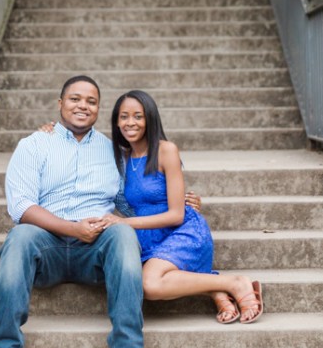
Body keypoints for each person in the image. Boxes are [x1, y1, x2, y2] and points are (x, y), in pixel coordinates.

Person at [0, 75, 157, 348]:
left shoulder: (113, 152)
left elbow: (128, 202)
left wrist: (177, 204)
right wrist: (71, 228)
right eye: (75, 99)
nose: (83, 105)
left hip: (94, 248)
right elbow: (22, 206)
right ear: (60, 104)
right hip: (46, 244)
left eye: (91, 101)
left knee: (122, 233)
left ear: (98, 109)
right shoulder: (34, 144)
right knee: (19, 236)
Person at [97, 90, 263, 325]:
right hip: (146, 238)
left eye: (138, 116)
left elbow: (176, 214)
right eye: (123, 117)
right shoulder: (118, 157)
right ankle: (215, 289)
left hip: (180, 231)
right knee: (140, 279)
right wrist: (49, 131)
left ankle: (235, 283)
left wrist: (124, 222)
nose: (130, 122)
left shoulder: (166, 150)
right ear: (116, 122)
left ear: (150, 119)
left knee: (150, 284)